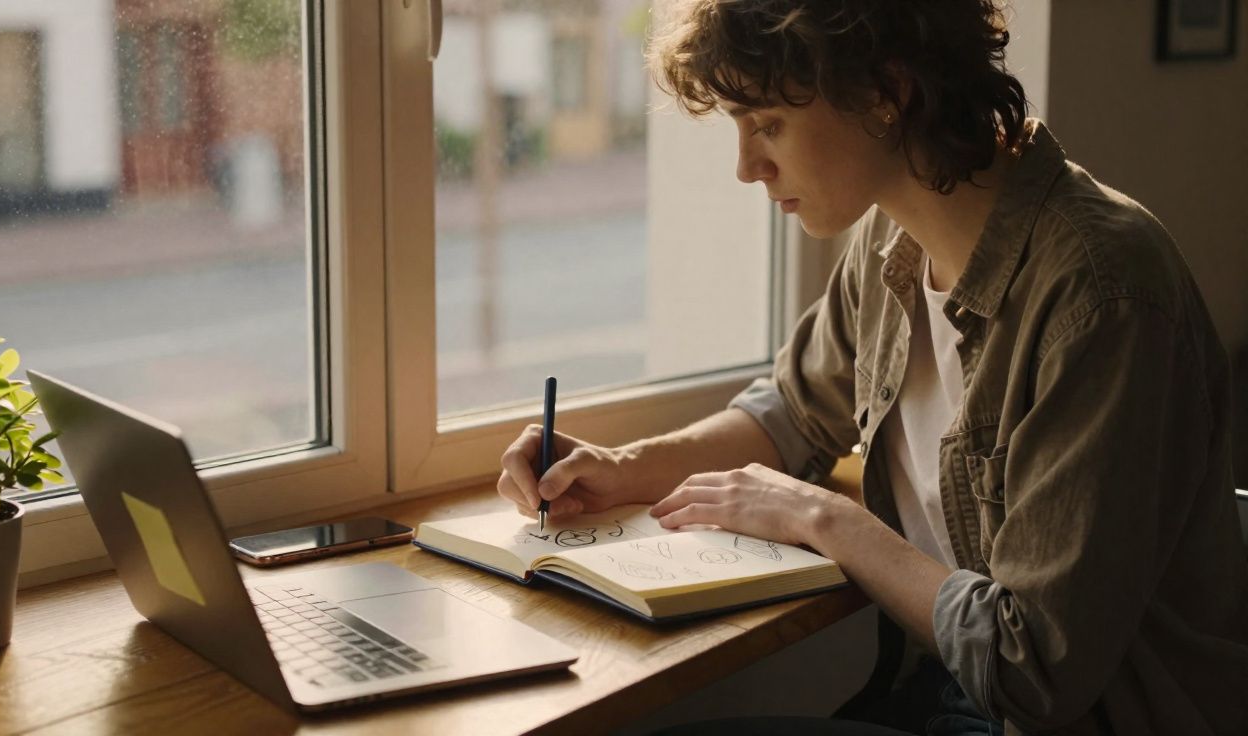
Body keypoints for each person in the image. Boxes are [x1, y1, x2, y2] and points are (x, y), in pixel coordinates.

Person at [495, 1, 1248, 733]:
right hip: (939, 695)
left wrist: (825, 518)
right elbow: (790, 413)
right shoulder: (890, 243)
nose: (747, 167)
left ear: (886, 93)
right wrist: (618, 467)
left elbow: (1034, 666)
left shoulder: (1102, 292)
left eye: (768, 124)